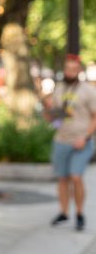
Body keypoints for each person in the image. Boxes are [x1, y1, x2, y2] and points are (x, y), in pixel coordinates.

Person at [43, 54, 96, 231]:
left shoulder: (88, 90)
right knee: (63, 178)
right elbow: (55, 118)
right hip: (61, 140)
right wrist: (47, 110)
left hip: (81, 140)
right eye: (67, 69)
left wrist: (86, 137)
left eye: (74, 69)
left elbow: (95, 117)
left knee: (76, 176)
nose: (70, 72)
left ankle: (79, 213)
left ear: (79, 70)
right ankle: (64, 212)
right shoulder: (59, 89)